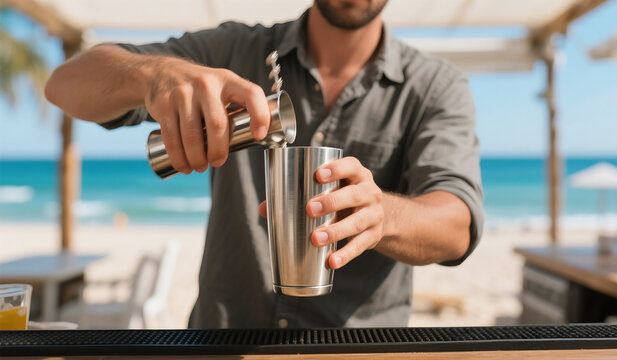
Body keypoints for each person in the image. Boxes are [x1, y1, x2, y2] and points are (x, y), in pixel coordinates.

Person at [45, 0, 484, 328]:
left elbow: (458, 223)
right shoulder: (234, 51)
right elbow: (64, 84)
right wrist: (151, 75)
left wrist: (383, 216)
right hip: (220, 346)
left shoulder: (434, 86)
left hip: (357, 353)